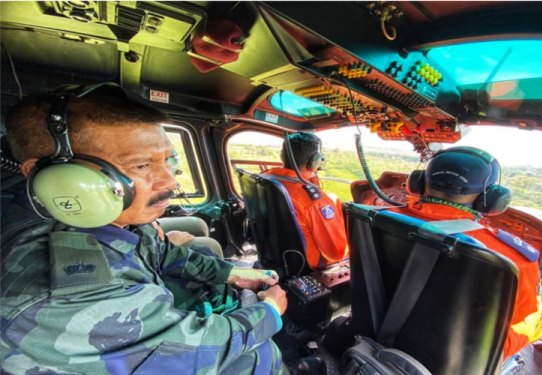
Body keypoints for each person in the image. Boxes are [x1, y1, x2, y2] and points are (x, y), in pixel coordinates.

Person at [0, 84, 288, 375]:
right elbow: (186, 354)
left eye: (166, 160)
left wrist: (229, 272)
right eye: (140, 165)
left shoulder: (111, 218)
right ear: (50, 174)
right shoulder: (63, 293)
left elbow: (161, 253)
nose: (170, 182)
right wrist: (269, 311)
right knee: (258, 356)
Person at [398, 146, 542, 359]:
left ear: (418, 182)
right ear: (493, 198)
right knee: (537, 315)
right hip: (454, 354)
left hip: (381, 317)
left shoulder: (375, 216)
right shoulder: (514, 257)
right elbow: (519, 315)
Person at [263, 132, 349, 270]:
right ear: (316, 161)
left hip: (275, 252)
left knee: (333, 198)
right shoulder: (315, 201)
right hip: (309, 263)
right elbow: (336, 253)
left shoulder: (265, 178)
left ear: (282, 156)